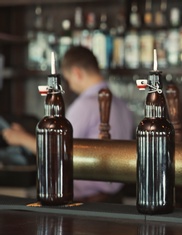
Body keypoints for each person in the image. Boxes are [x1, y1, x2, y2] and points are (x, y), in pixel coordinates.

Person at [2, 46, 134, 202]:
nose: (69, 85)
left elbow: (59, 153)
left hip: (88, 203)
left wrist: (21, 138)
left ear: (77, 73)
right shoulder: (121, 104)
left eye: (68, 79)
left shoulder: (86, 105)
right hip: (116, 199)